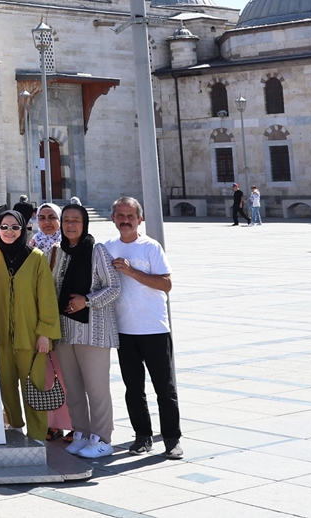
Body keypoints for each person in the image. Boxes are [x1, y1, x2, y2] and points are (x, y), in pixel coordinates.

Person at [105, 197, 182, 459]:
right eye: (120, 215)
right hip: (124, 330)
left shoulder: (151, 247)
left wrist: (131, 271)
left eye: (130, 216)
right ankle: (142, 436)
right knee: (133, 388)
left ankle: (172, 439)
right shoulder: (107, 247)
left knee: (164, 387)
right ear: (113, 218)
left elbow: (166, 284)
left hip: (154, 328)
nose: (125, 220)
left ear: (140, 219)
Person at [51, 201, 121, 460]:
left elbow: (114, 287)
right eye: (66, 220)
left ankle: (102, 438)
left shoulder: (97, 251)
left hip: (93, 330)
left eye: (75, 221)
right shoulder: (58, 251)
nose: (70, 225)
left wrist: (87, 300)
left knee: (97, 387)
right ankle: (81, 432)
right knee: (73, 387)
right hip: (66, 330)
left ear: (84, 224)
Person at [0, 210, 58, 441]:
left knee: (33, 388)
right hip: (0, 336)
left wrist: (45, 333)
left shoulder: (36, 258)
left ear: (23, 229)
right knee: (5, 385)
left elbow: (46, 298)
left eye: (15, 227)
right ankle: (15, 425)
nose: (9, 232)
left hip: (31, 336)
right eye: (4, 227)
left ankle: (37, 434)